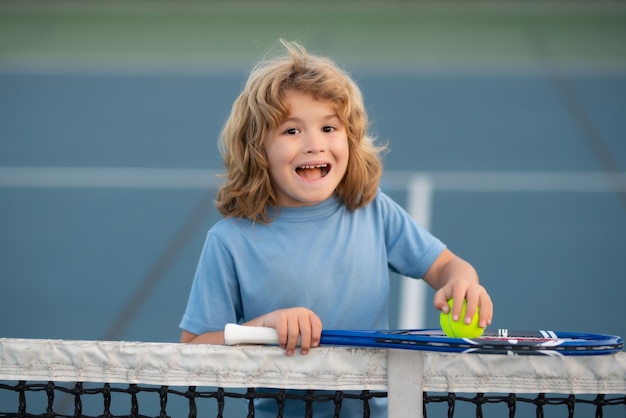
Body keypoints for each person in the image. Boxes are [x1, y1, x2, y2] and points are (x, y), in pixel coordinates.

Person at [179, 39, 493, 417]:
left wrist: (463, 283)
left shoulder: (373, 212)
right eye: (291, 131)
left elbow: (445, 266)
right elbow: (193, 349)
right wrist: (265, 328)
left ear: (349, 139)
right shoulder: (229, 242)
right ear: (257, 149)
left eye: (329, 127)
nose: (314, 144)